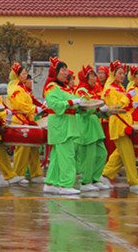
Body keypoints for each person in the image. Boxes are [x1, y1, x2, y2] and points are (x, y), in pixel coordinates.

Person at [101, 61, 138, 192]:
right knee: (128, 155)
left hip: (126, 121)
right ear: (113, 74)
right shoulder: (109, 90)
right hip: (119, 123)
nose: (122, 76)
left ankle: (106, 174)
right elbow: (115, 107)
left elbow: (125, 105)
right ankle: (134, 182)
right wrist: (127, 98)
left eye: (123, 73)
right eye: (119, 73)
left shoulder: (120, 87)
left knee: (120, 154)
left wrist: (132, 105)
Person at [42, 61, 82, 195]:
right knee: (67, 156)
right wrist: (71, 102)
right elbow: (54, 104)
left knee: (57, 157)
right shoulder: (51, 87)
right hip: (61, 124)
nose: (66, 73)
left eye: (66, 70)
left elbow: (72, 103)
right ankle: (65, 185)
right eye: (62, 70)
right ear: (55, 72)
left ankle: (51, 182)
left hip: (67, 123)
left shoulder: (64, 87)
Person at [6, 63, 44, 183]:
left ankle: (36, 173)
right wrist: (34, 109)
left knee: (33, 148)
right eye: (23, 73)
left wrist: (41, 107)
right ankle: (18, 173)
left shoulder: (22, 88)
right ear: (17, 76)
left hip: (28, 120)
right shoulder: (16, 89)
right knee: (22, 150)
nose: (26, 75)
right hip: (21, 120)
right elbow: (20, 105)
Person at [74, 65, 109, 191]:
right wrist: (98, 107)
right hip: (86, 125)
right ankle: (86, 181)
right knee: (89, 156)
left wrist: (106, 111)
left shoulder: (93, 90)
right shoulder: (81, 91)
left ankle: (95, 178)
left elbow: (96, 108)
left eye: (95, 76)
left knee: (102, 153)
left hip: (94, 125)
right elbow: (84, 109)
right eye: (92, 76)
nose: (95, 78)